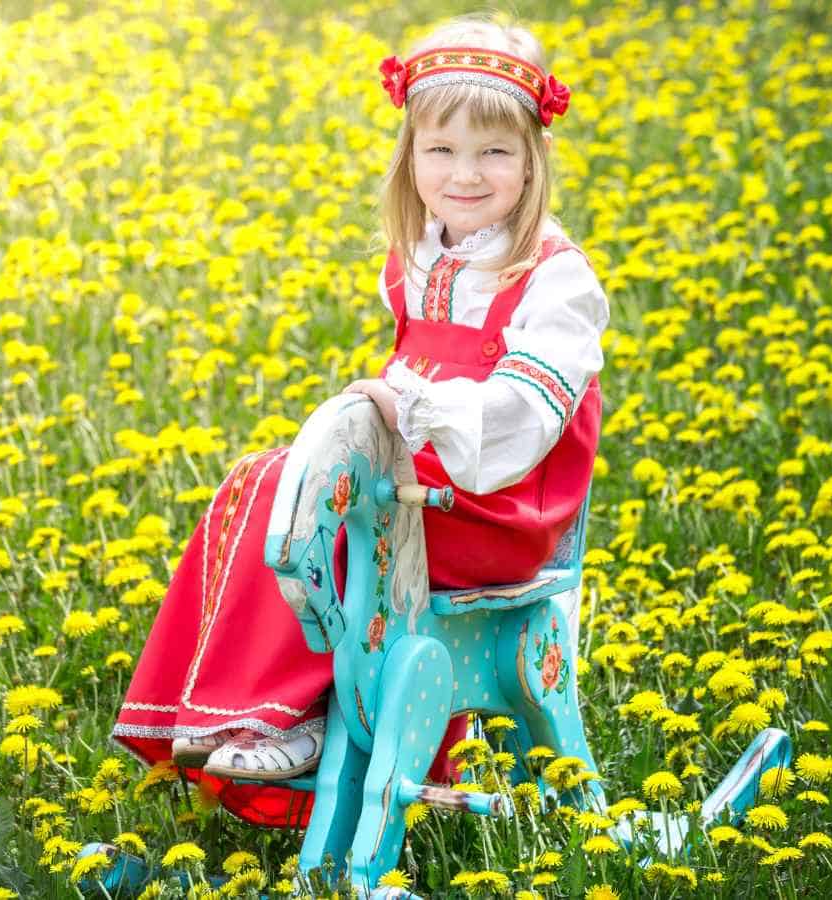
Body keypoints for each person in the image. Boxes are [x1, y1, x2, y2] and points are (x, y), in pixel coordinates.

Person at [111, 15, 607, 828]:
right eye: (441, 151)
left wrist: (405, 405)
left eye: (494, 153)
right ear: (410, 157)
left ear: (532, 160)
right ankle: (262, 708)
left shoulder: (554, 280)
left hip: (500, 507)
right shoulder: (421, 257)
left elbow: (518, 424)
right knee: (264, 481)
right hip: (422, 483)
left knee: (335, 503)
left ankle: (289, 715)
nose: (466, 175)